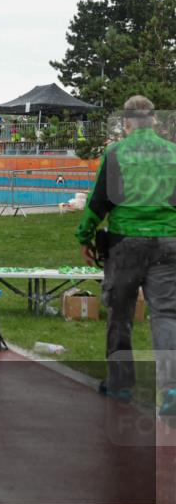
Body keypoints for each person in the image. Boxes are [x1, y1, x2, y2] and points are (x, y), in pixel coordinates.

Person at [76, 95, 176, 419]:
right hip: (168, 241)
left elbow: (98, 201)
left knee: (120, 313)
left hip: (125, 243)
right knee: (166, 314)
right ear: (155, 122)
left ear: (127, 123)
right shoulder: (172, 153)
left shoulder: (116, 152)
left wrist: (84, 236)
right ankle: (171, 389)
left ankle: (120, 384)